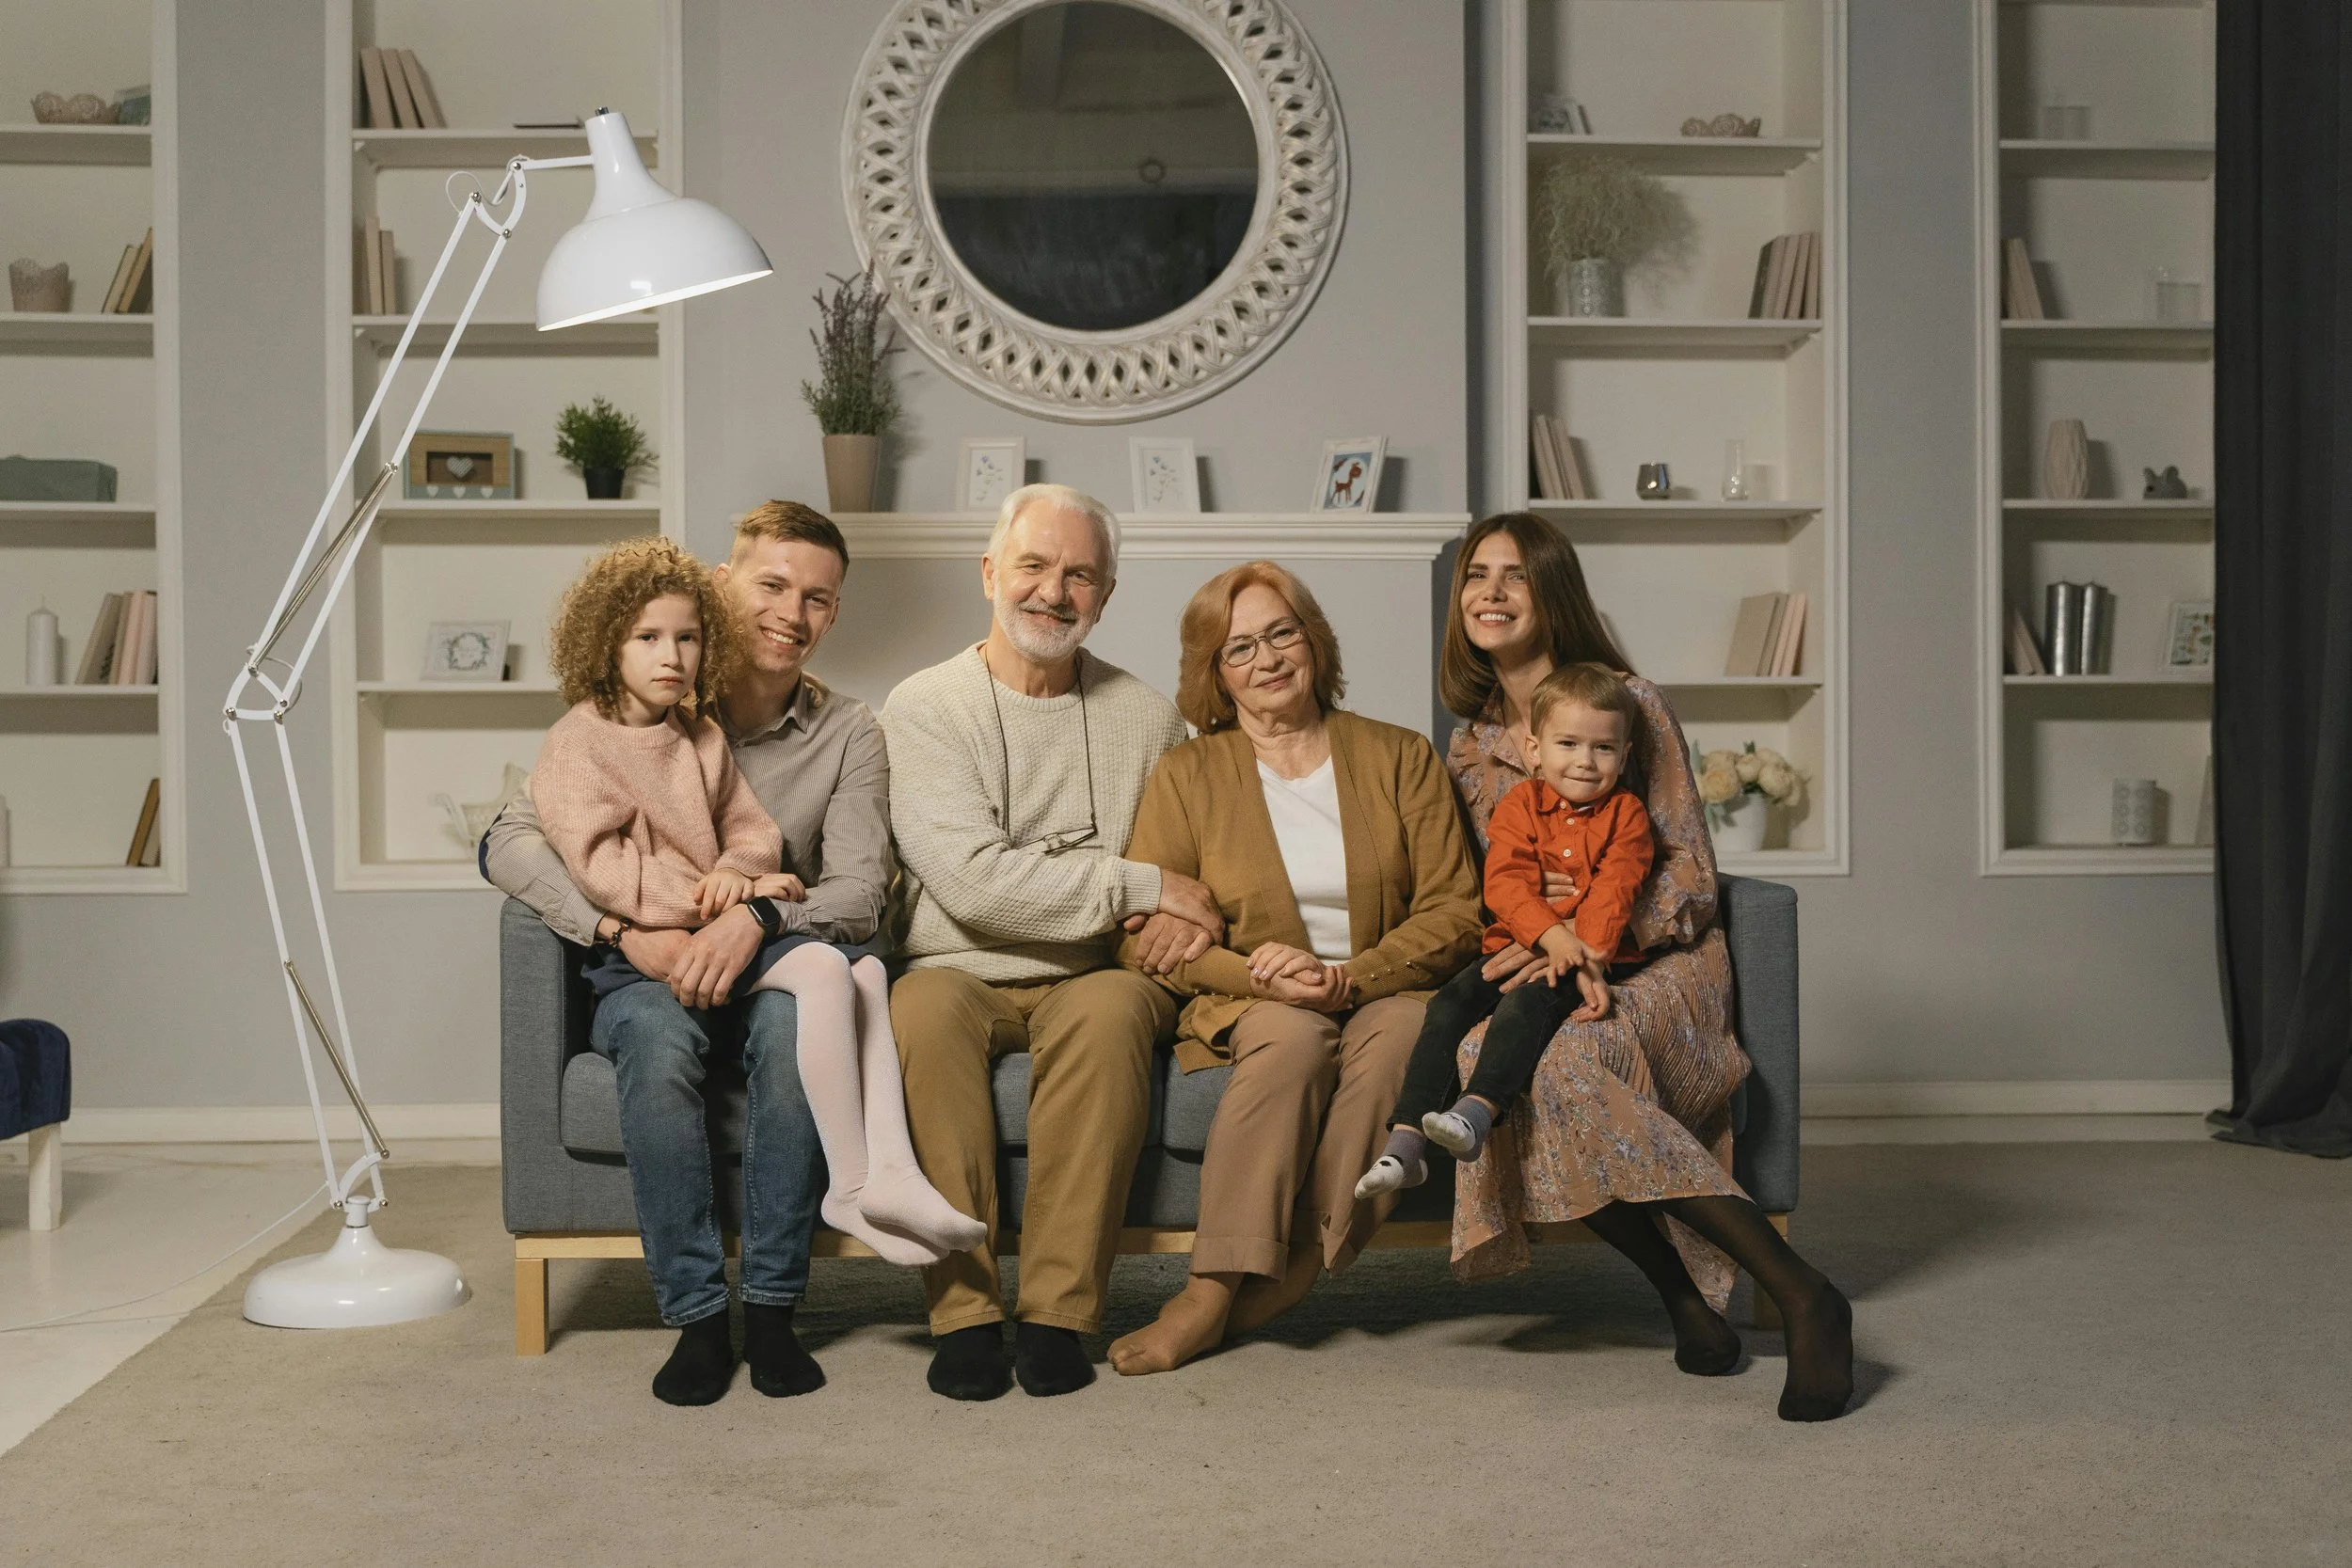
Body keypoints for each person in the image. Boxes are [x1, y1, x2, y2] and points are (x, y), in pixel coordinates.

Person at [1438, 511, 1852, 1421]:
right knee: (1486, 1066)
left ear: (1554, 594)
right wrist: (1543, 943)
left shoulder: (1631, 700)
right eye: (1477, 573)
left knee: (1576, 1066)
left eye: (1516, 574)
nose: (1491, 592)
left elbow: (1693, 878)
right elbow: (1502, 883)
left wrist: (1593, 949)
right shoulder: (1469, 745)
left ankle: (1801, 1289)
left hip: (1661, 961)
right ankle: (1680, 1297)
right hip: (1552, 964)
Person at [484, 501, 889, 1406]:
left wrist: (750, 906)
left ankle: (776, 1307)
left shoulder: (831, 733)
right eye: (773, 584)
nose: (793, 611)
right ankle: (698, 1316)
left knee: (793, 1035)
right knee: (659, 1048)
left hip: (762, 960)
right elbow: (516, 842)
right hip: (641, 968)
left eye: (818, 598)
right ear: (719, 585)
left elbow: (849, 888)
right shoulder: (601, 728)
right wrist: (630, 933)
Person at [529, 537, 983, 1273]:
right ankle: (855, 1181)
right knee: (827, 974)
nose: (670, 654)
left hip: (735, 930)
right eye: (648, 638)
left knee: (865, 975)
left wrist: (744, 882)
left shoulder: (702, 733)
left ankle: (888, 1173)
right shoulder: (582, 740)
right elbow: (590, 861)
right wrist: (671, 910)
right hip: (664, 948)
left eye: (683, 638)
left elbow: (753, 832)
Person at [881, 483, 1217, 1402]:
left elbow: (1183, 879)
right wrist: (1134, 884)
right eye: (1032, 565)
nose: (1052, 591)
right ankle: (965, 1313)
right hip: (952, 963)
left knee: (1112, 1013)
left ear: (1104, 596)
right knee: (918, 1011)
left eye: (1079, 575)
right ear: (991, 573)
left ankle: (1060, 1314)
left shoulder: (1147, 716)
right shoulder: (923, 707)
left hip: (1096, 971)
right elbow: (973, 882)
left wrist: (1155, 900)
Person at [1104, 562, 1482, 1376]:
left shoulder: (1400, 754)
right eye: (1240, 647)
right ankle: (1210, 1287)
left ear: (1314, 641)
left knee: (1407, 1035)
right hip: (1260, 997)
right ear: (1215, 673)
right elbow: (1151, 939)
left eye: (1282, 632)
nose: (1268, 657)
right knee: (1293, 1042)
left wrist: (1355, 976)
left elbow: (1455, 908)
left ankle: (1313, 1255)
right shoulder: (1187, 775)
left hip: (1388, 982)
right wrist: (1260, 977)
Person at [1358, 661, 1647, 1196]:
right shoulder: (1519, 805)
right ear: (1535, 750)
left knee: (1524, 1007)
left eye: (1603, 749)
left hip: (1583, 958)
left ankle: (1476, 1112)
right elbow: (1506, 885)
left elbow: (1616, 890)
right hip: (1516, 948)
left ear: (1624, 755)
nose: (1585, 761)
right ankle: (1405, 1145)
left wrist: (1587, 956)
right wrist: (1554, 936)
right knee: (1447, 1005)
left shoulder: (1627, 814)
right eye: (1568, 744)